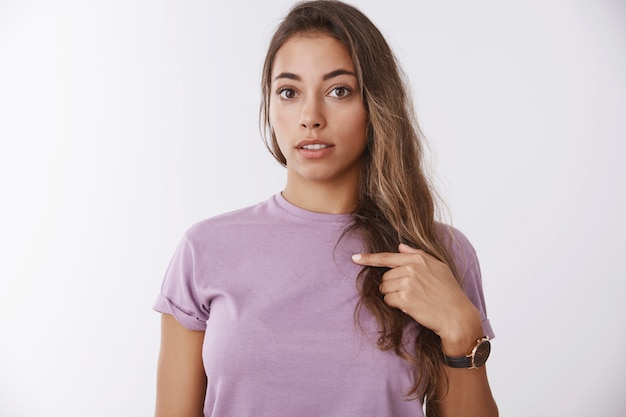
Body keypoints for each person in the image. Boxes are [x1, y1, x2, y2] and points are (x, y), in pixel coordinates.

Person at [153, 1, 498, 416]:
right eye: (289, 92)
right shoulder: (204, 248)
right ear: (270, 107)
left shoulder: (437, 252)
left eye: (339, 91)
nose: (310, 117)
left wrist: (463, 329)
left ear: (375, 106)